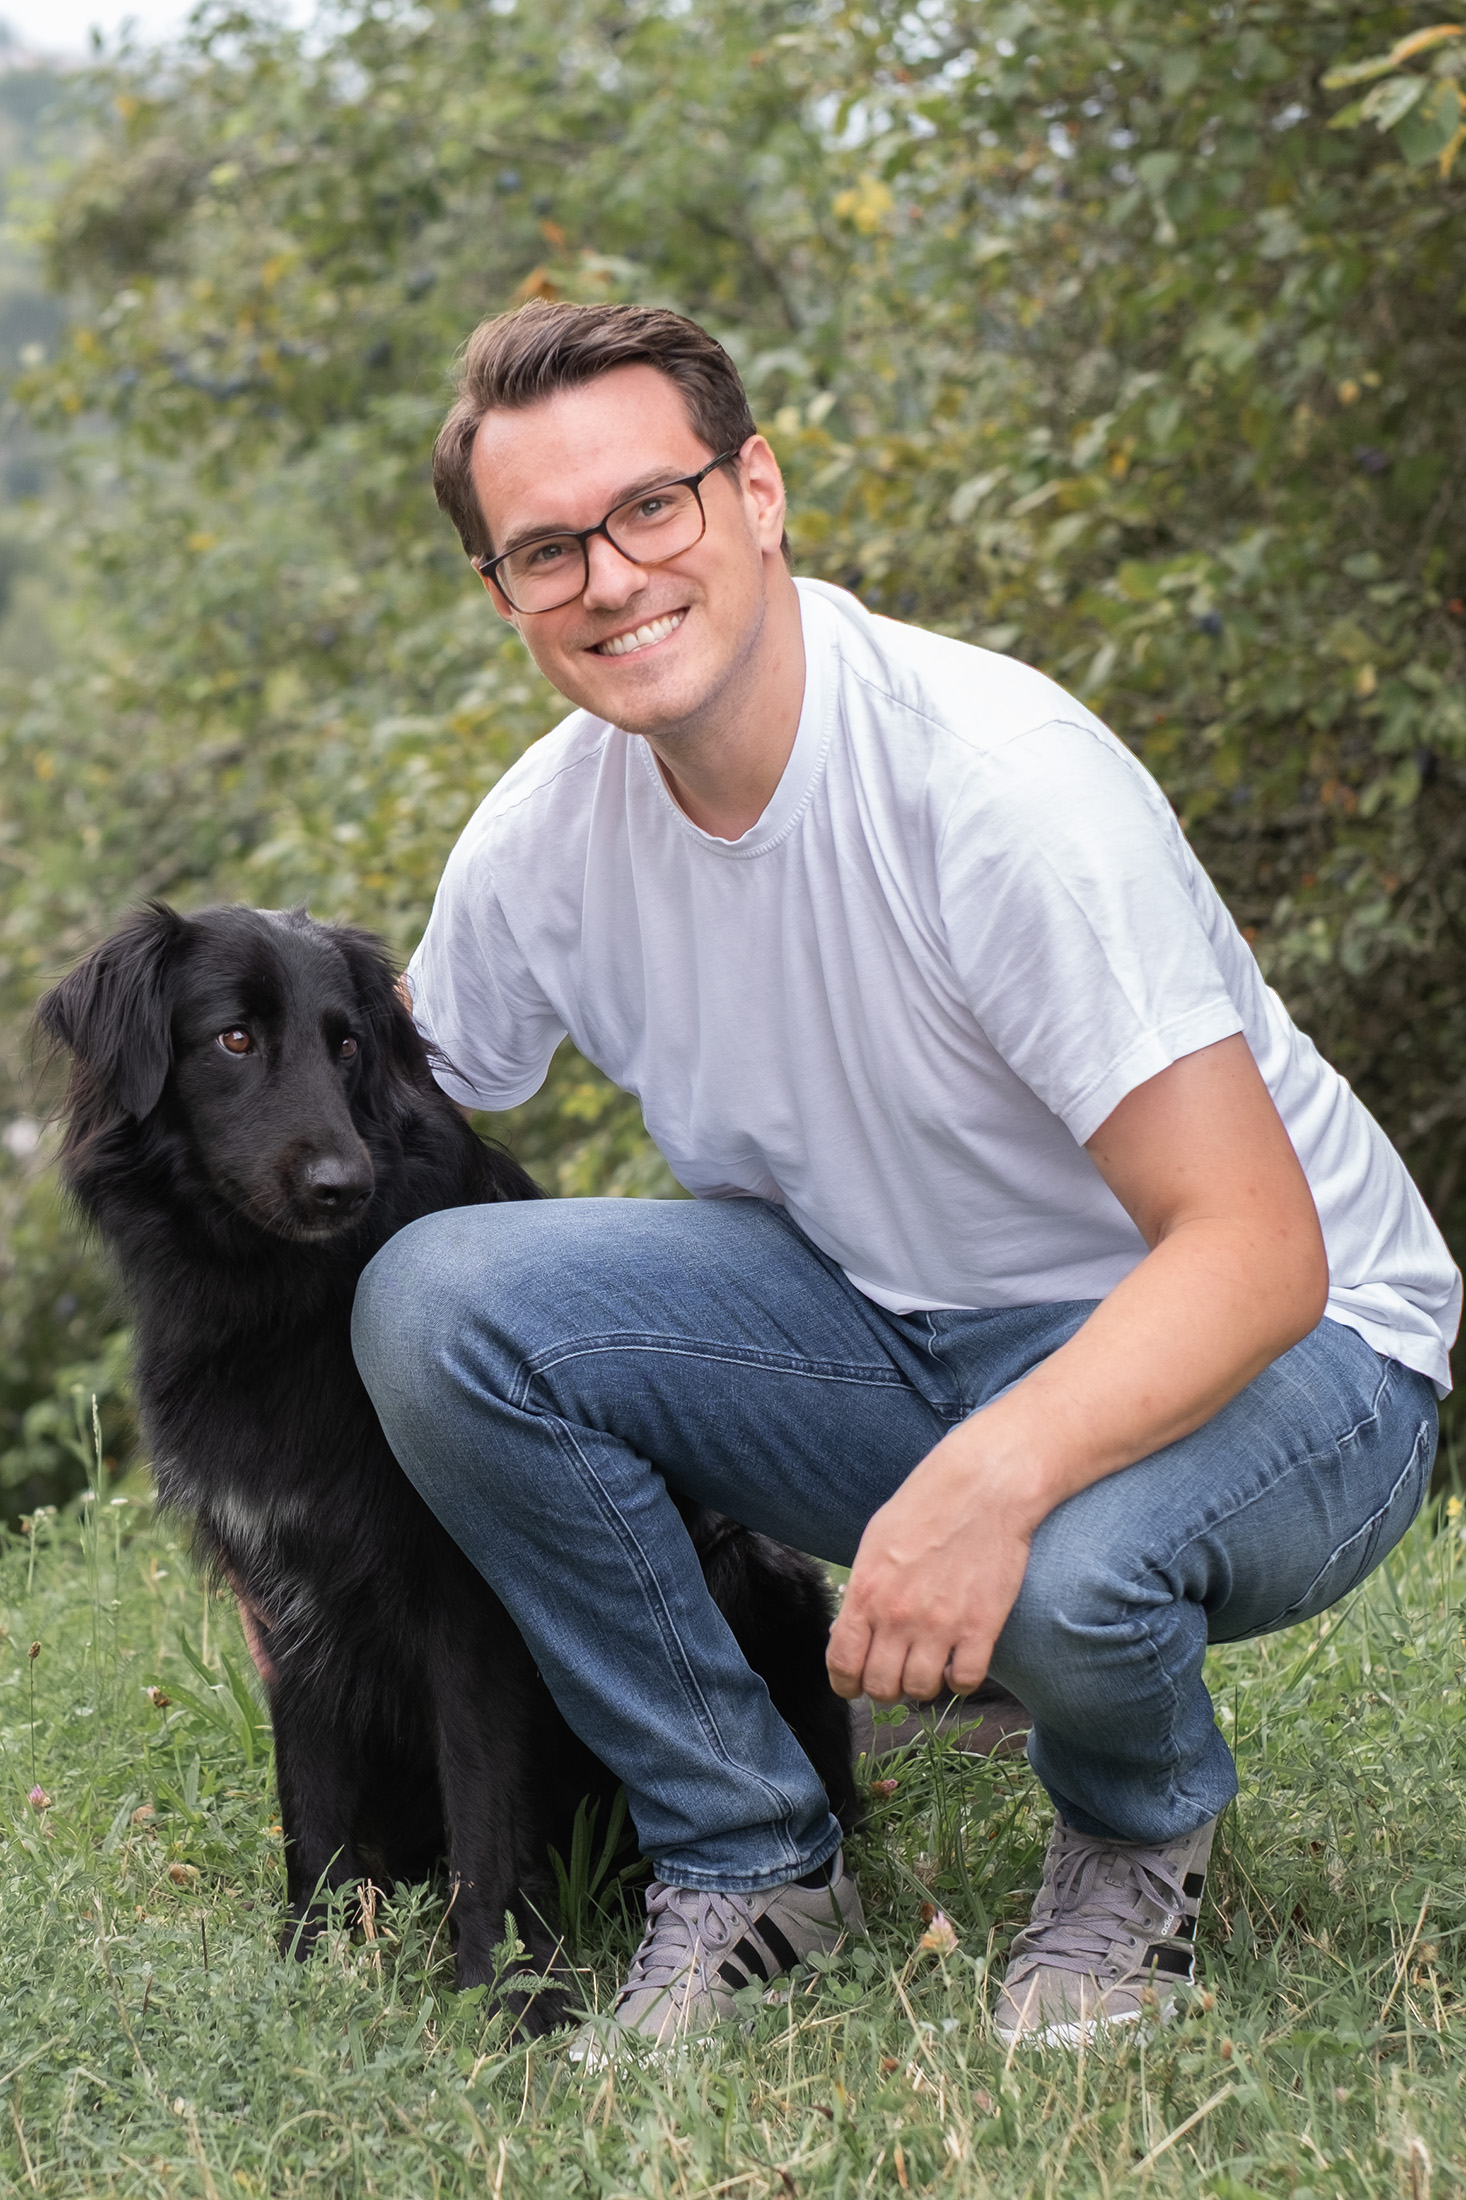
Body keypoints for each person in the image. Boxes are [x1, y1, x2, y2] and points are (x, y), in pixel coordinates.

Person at [349, 298, 1460, 2054]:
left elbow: (1256, 1252)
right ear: (503, 596)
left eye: (653, 507)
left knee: (1057, 1564)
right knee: (437, 1301)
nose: (614, 578)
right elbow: (376, 1130)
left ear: (758, 490)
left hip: (1299, 1358)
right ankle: (745, 1855)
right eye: (546, 550)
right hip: (889, 1335)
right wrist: (280, 1506)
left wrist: (983, 1487)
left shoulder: (994, 788)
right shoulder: (545, 842)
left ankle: (1130, 1837)